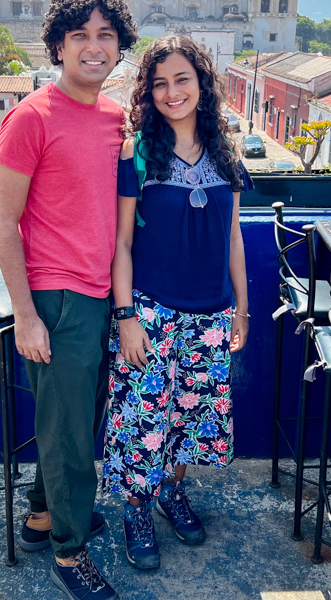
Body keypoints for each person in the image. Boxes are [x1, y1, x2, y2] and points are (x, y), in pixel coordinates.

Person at [0, 0, 137, 600]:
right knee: (73, 433)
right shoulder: (31, 117)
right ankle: (71, 553)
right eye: (80, 35)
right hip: (56, 294)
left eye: (105, 35)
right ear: (57, 45)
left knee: (71, 418)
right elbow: (4, 222)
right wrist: (26, 313)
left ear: (120, 47)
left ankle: (44, 516)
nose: (94, 46)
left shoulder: (114, 118)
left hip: (101, 290)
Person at [104, 35, 250, 570]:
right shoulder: (136, 152)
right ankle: (136, 509)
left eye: (182, 79)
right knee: (143, 419)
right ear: (149, 91)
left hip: (211, 315)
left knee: (190, 417)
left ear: (201, 84)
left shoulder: (225, 153)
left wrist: (241, 308)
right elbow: (121, 242)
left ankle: (171, 492)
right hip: (151, 311)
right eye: (160, 83)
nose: (171, 92)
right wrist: (126, 318)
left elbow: (234, 237)